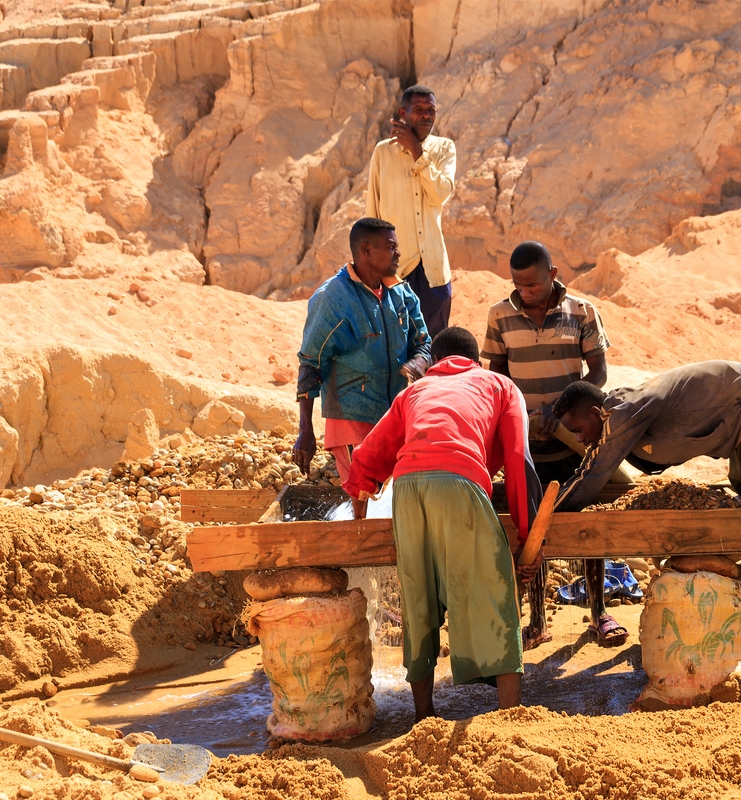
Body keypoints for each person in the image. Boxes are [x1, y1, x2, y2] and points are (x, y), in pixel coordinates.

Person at [342, 326, 544, 721]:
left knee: (419, 597)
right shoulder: (499, 385)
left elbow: (368, 455)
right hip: (461, 482)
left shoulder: (414, 392)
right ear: (477, 362)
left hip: (409, 489)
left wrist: (359, 506)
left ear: (433, 364)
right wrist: (524, 534)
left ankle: (424, 716)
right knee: (493, 594)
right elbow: (519, 459)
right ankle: (510, 716)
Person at [552, 360, 741, 646]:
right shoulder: (618, 411)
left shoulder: (624, 412)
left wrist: (549, 516)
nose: (578, 438)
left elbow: (593, 472)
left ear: (595, 413)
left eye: (578, 429)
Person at [483, 240, 615, 648]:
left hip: (573, 444)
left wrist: (563, 409)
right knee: (532, 531)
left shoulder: (582, 312)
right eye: (518, 285)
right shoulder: (499, 317)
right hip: (527, 447)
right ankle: (537, 621)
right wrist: (520, 420)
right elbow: (498, 379)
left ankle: (599, 614)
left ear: (552, 275)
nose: (525, 292)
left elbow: (600, 372)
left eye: (533, 285)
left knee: (587, 524)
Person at [292, 217, 431, 498]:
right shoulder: (333, 297)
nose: (398, 253)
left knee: (394, 499)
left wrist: (418, 363)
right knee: (365, 497)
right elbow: (311, 364)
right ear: (365, 250)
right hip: (352, 418)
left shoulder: (402, 293)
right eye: (391, 247)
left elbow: (424, 343)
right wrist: (305, 431)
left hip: (396, 418)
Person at [366, 85, 456, 335]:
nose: (427, 116)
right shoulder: (383, 152)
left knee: (435, 347)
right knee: (396, 347)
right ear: (402, 112)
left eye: (431, 110)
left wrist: (417, 151)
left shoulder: (444, 149)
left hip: (434, 272)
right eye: (419, 110)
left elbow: (440, 193)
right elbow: (373, 212)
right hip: (396, 270)